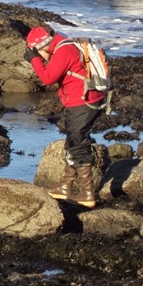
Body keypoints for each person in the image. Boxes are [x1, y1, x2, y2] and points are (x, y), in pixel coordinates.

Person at [23, 25, 105, 207]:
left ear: (43, 47)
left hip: (81, 102)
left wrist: (34, 60)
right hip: (88, 99)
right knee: (73, 141)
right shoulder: (64, 42)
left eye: (39, 53)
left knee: (78, 146)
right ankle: (65, 186)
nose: (44, 59)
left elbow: (47, 78)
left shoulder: (63, 50)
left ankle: (88, 193)